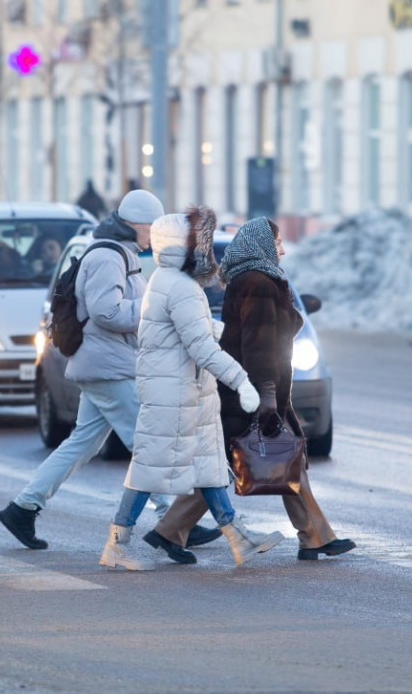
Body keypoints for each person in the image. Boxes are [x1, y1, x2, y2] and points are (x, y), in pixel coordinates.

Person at [152, 218, 356, 562]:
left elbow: (282, 328)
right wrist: (265, 396)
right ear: (262, 244)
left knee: (285, 460)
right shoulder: (258, 283)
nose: (283, 250)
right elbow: (258, 345)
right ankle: (169, 531)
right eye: (278, 243)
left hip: (254, 389)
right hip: (252, 393)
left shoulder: (258, 280)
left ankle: (314, 537)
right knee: (240, 464)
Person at [0, 189, 179, 550]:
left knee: (80, 445)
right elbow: (106, 312)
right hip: (108, 366)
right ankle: (171, 521)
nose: (154, 237)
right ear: (138, 224)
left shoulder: (118, 252)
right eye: (152, 229)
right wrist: (152, 308)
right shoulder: (108, 256)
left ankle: (23, 508)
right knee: (146, 444)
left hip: (104, 362)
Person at [101, 209, 281, 571]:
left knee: (209, 466)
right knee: (149, 469)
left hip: (185, 391)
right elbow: (198, 346)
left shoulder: (169, 280)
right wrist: (241, 380)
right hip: (174, 394)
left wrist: (217, 330)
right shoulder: (181, 287)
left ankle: (237, 537)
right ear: (187, 247)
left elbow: (184, 332)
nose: (209, 249)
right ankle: (117, 544)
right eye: (203, 242)